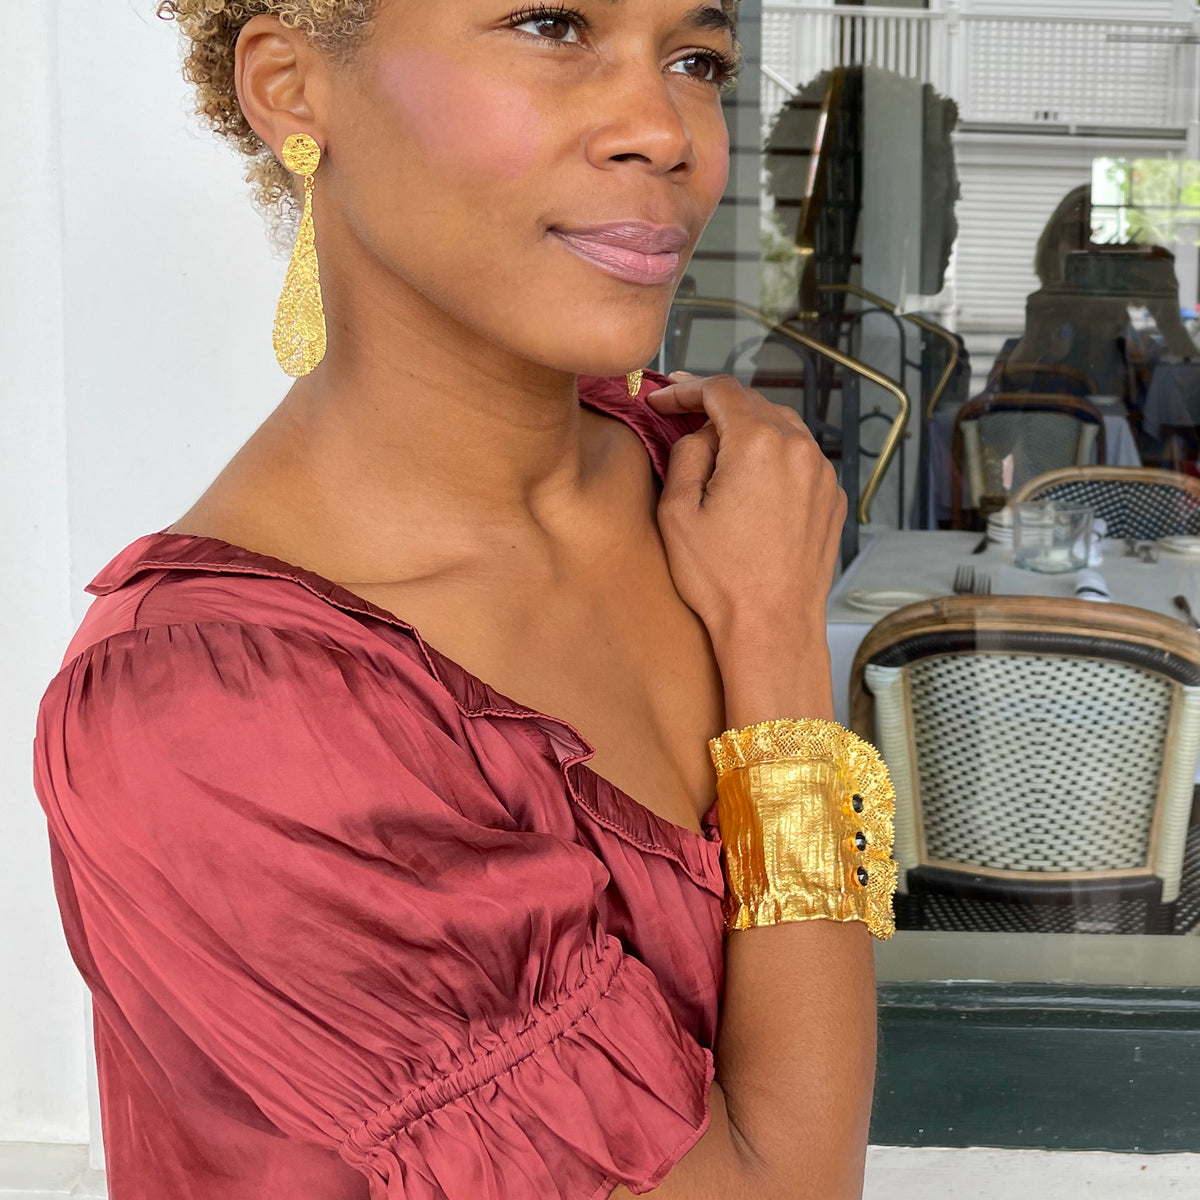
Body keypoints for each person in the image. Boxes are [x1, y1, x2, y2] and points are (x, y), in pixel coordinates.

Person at [32, 2, 896, 1197]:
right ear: (291, 89)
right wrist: (780, 655)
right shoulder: (215, 722)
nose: (664, 128)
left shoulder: (708, 493)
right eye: (551, 26)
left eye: (697, 61)